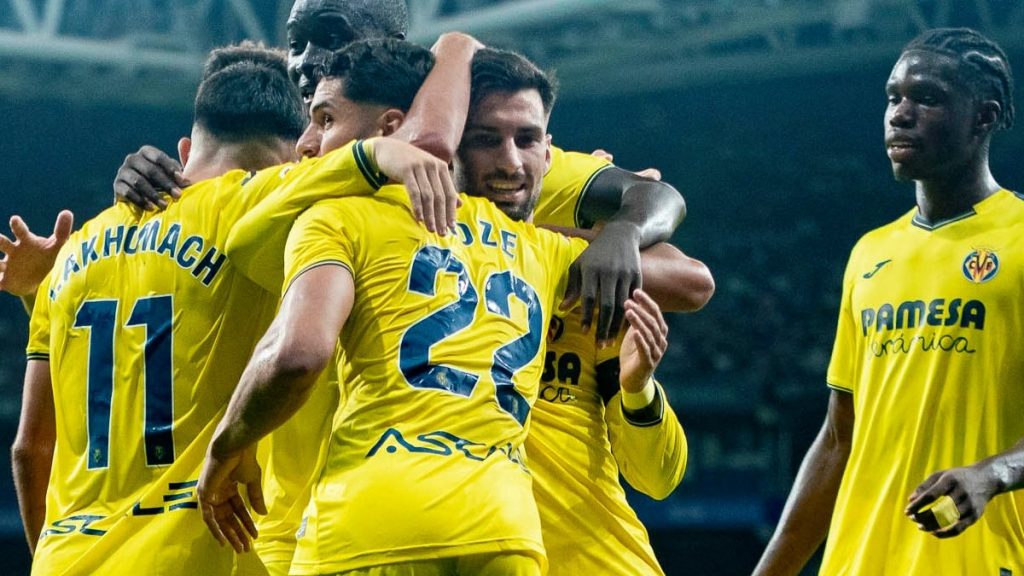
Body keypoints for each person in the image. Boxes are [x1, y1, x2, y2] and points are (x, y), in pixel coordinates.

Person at [198, 47, 596, 575]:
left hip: (369, 518)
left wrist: (228, 446)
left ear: (389, 127)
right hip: (505, 529)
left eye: (324, 119)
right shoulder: (538, 248)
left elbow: (297, 352)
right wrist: (617, 238)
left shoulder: (337, 217)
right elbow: (684, 279)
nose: (306, 142)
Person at [113, 0, 686, 344]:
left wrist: (615, 233)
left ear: (392, 49)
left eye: (332, 38)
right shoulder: (307, 157)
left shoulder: (489, 152)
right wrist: (144, 180)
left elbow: (684, 267)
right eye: (297, 42)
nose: (306, 60)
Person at [13, 44, 307, 575]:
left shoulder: (73, 252)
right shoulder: (263, 208)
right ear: (292, 160)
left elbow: (30, 449)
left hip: (66, 557)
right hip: (192, 554)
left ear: (186, 145)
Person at [752, 27, 1022, 575]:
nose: (900, 114)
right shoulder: (869, 253)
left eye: (927, 98)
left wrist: (994, 473)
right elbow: (836, 441)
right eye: (893, 96)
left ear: (984, 117)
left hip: (978, 558)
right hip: (857, 560)